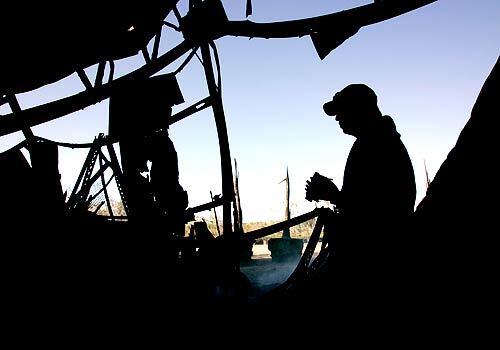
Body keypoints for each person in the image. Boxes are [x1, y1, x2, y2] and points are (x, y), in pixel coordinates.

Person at [305, 84, 416, 308]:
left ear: (360, 110)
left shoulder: (376, 144)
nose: (338, 119)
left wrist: (334, 195)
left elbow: (379, 210)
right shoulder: (377, 141)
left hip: (375, 260)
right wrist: (334, 195)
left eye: (341, 112)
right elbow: (369, 198)